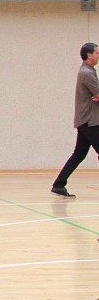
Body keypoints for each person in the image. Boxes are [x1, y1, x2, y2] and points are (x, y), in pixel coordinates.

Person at [51, 42, 99, 198]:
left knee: (78, 154)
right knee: (79, 154)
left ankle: (59, 185)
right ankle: (58, 184)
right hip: (90, 120)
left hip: (85, 119)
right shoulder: (87, 73)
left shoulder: (87, 71)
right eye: (97, 53)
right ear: (89, 55)